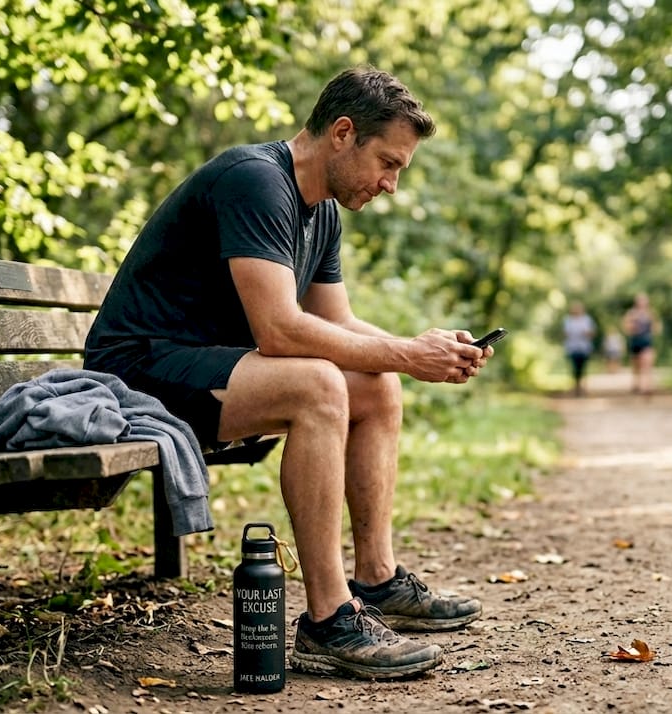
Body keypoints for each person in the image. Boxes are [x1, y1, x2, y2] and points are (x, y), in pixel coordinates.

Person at [84, 67, 486, 681]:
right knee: (318, 384)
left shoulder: (321, 212)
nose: (392, 184)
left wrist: (424, 348)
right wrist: (409, 352)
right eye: (388, 163)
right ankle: (328, 621)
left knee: (376, 386)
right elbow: (280, 331)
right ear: (343, 133)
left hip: (207, 368)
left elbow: (338, 322)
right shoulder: (256, 180)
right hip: (138, 371)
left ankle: (375, 581)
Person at [622, 292, 657, 394]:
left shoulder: (650, 313)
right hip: (635, 342)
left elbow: (656, 327)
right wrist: (632, 328)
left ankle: (647, 387)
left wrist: (652, 331)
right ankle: (636, 384)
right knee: (636, 366)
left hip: (647, 342)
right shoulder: (631, 313)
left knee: (647, 364)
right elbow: (626, 327)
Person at [561, 301, 596, 396]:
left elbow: (592, 333)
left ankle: (583, 387)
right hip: (572, 347)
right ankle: (576, 388)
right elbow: (564, 334)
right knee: (574, 368)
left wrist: (585, 333)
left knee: (583, 368)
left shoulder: (587, 320)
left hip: (584, 348)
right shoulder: (568, 320)